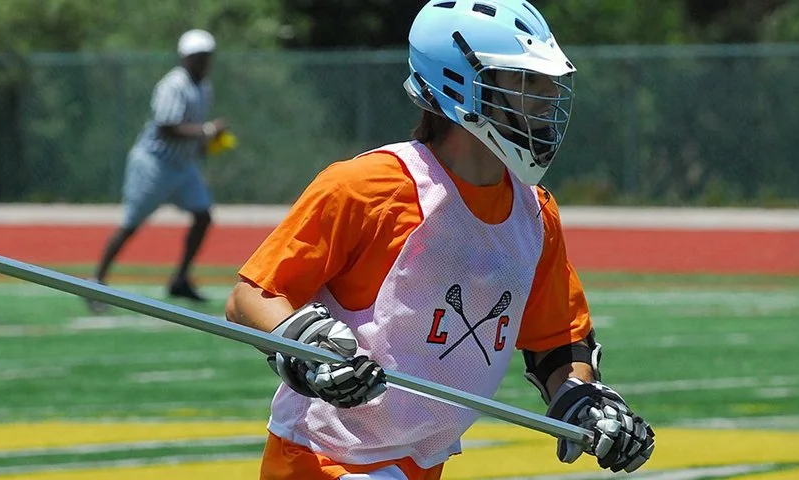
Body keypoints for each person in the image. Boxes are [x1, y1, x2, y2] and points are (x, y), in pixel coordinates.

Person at [224, 2, 655, 479]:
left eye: (548, 83)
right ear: (460, 85)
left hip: (424, 463)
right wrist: (307, 349)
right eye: (525, 81)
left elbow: (557, 343)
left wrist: (585, 402)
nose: (545, 97)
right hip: (323, 458)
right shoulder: (369, 186)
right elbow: (254, 296)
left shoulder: (535, 214)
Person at [90, 29, 227, 312]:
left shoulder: (204, 87)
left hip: (182, 165)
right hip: (155, 163)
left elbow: (190, 130)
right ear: (185, 58)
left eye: (205, 57)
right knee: (130, 224)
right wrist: (208, 131)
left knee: (203, 216)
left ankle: (180, 278)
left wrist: (207, 144)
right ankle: (96, 281)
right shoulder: (173, 85)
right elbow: (167, 126)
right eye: (197, 57)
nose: (202, 62)